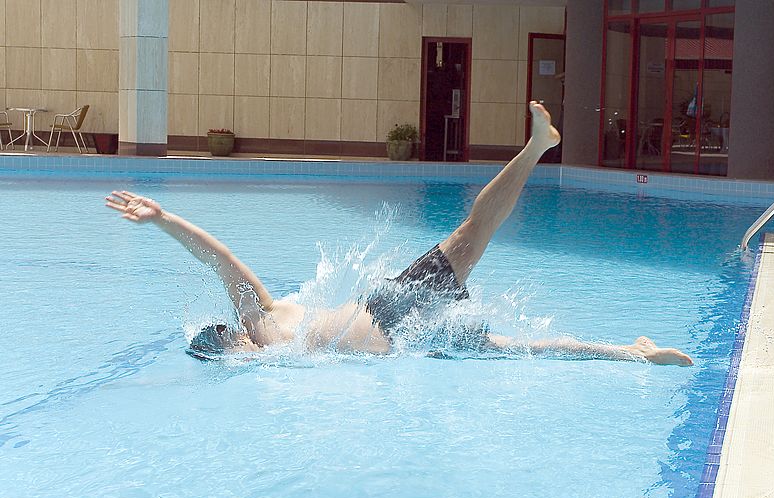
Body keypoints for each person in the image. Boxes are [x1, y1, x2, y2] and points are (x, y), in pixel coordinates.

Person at [105, 102, 692, 366]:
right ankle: (626, 351)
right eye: (226, 352)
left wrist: (163, 221)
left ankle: (538, 147)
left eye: (227, 344)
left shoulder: (262, 321)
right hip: (408, 344)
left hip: (389, 309)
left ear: (231, 335)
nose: (234, 349)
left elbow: (222, 261)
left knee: (469, 236)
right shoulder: (267, 363)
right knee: (509, 350)